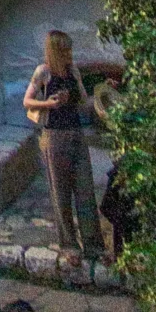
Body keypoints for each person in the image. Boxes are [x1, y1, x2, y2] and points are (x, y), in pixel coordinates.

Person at [23, 32, 103, 260]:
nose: (69, 54)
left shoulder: (73, 71)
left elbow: (84, 100)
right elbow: (27, 101)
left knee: (85, 190)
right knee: (61, 192)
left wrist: (97, 93)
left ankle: (93, 244)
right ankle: (69, 244)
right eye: (65, 50)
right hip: (54, 136)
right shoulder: (43, 72)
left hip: (76, 133)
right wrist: (49, 103)